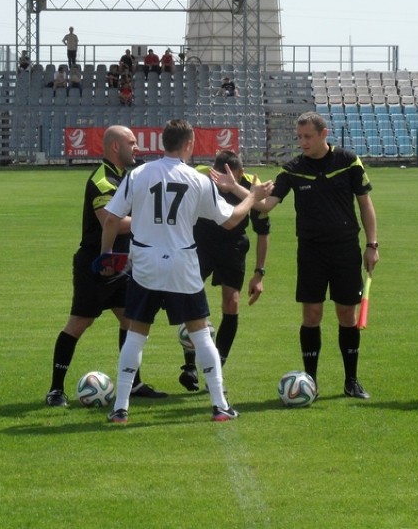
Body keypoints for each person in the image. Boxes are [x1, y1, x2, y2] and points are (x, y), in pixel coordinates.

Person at [96, 119, 274, 424]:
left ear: (162, 142)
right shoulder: (197, 179)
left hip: (146, 262)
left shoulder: (138, 174)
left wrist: (105, 255)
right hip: (182, 262)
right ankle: (219, 405)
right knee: (201, 334)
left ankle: (121, 407)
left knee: (136, 334)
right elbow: (231, 221)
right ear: (189, 144)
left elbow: (112, 219)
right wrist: (251, 197)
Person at [258, 111, 379, 399]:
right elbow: (265, 205)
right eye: (299, 137)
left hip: (346, 249)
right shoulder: (293, 169)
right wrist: (238, 190)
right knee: (312, 314)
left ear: (324, 134)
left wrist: (372, 245)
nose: (302, 142)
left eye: (307, 136)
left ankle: (351, 381)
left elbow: (365, 205)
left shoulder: (348, 161)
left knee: (346, 315)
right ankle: (309, 382)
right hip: (311, 251)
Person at [45, 126, 167, 407]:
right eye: (132, 142)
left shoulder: (126, 177)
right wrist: (151, 220)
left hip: (122, 263)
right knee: (79, 323)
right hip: (97, 264)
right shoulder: (103, 180)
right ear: (115, 147)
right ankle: (55, 390)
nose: (137, 147)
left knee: (131, 322)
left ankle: (133, 385)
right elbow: (108, 221)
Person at [178, 150, 270, 391]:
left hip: (233, 247)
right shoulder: (202, 175)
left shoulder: (252, 184)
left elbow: (263, 226)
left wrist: (259, 273)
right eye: (218, 175)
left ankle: (216, 370)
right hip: (201, 243)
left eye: (229, 175)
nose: (222, 180)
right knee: (190, 300)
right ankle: (189, 366)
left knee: (232, 302)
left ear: (240, 173)